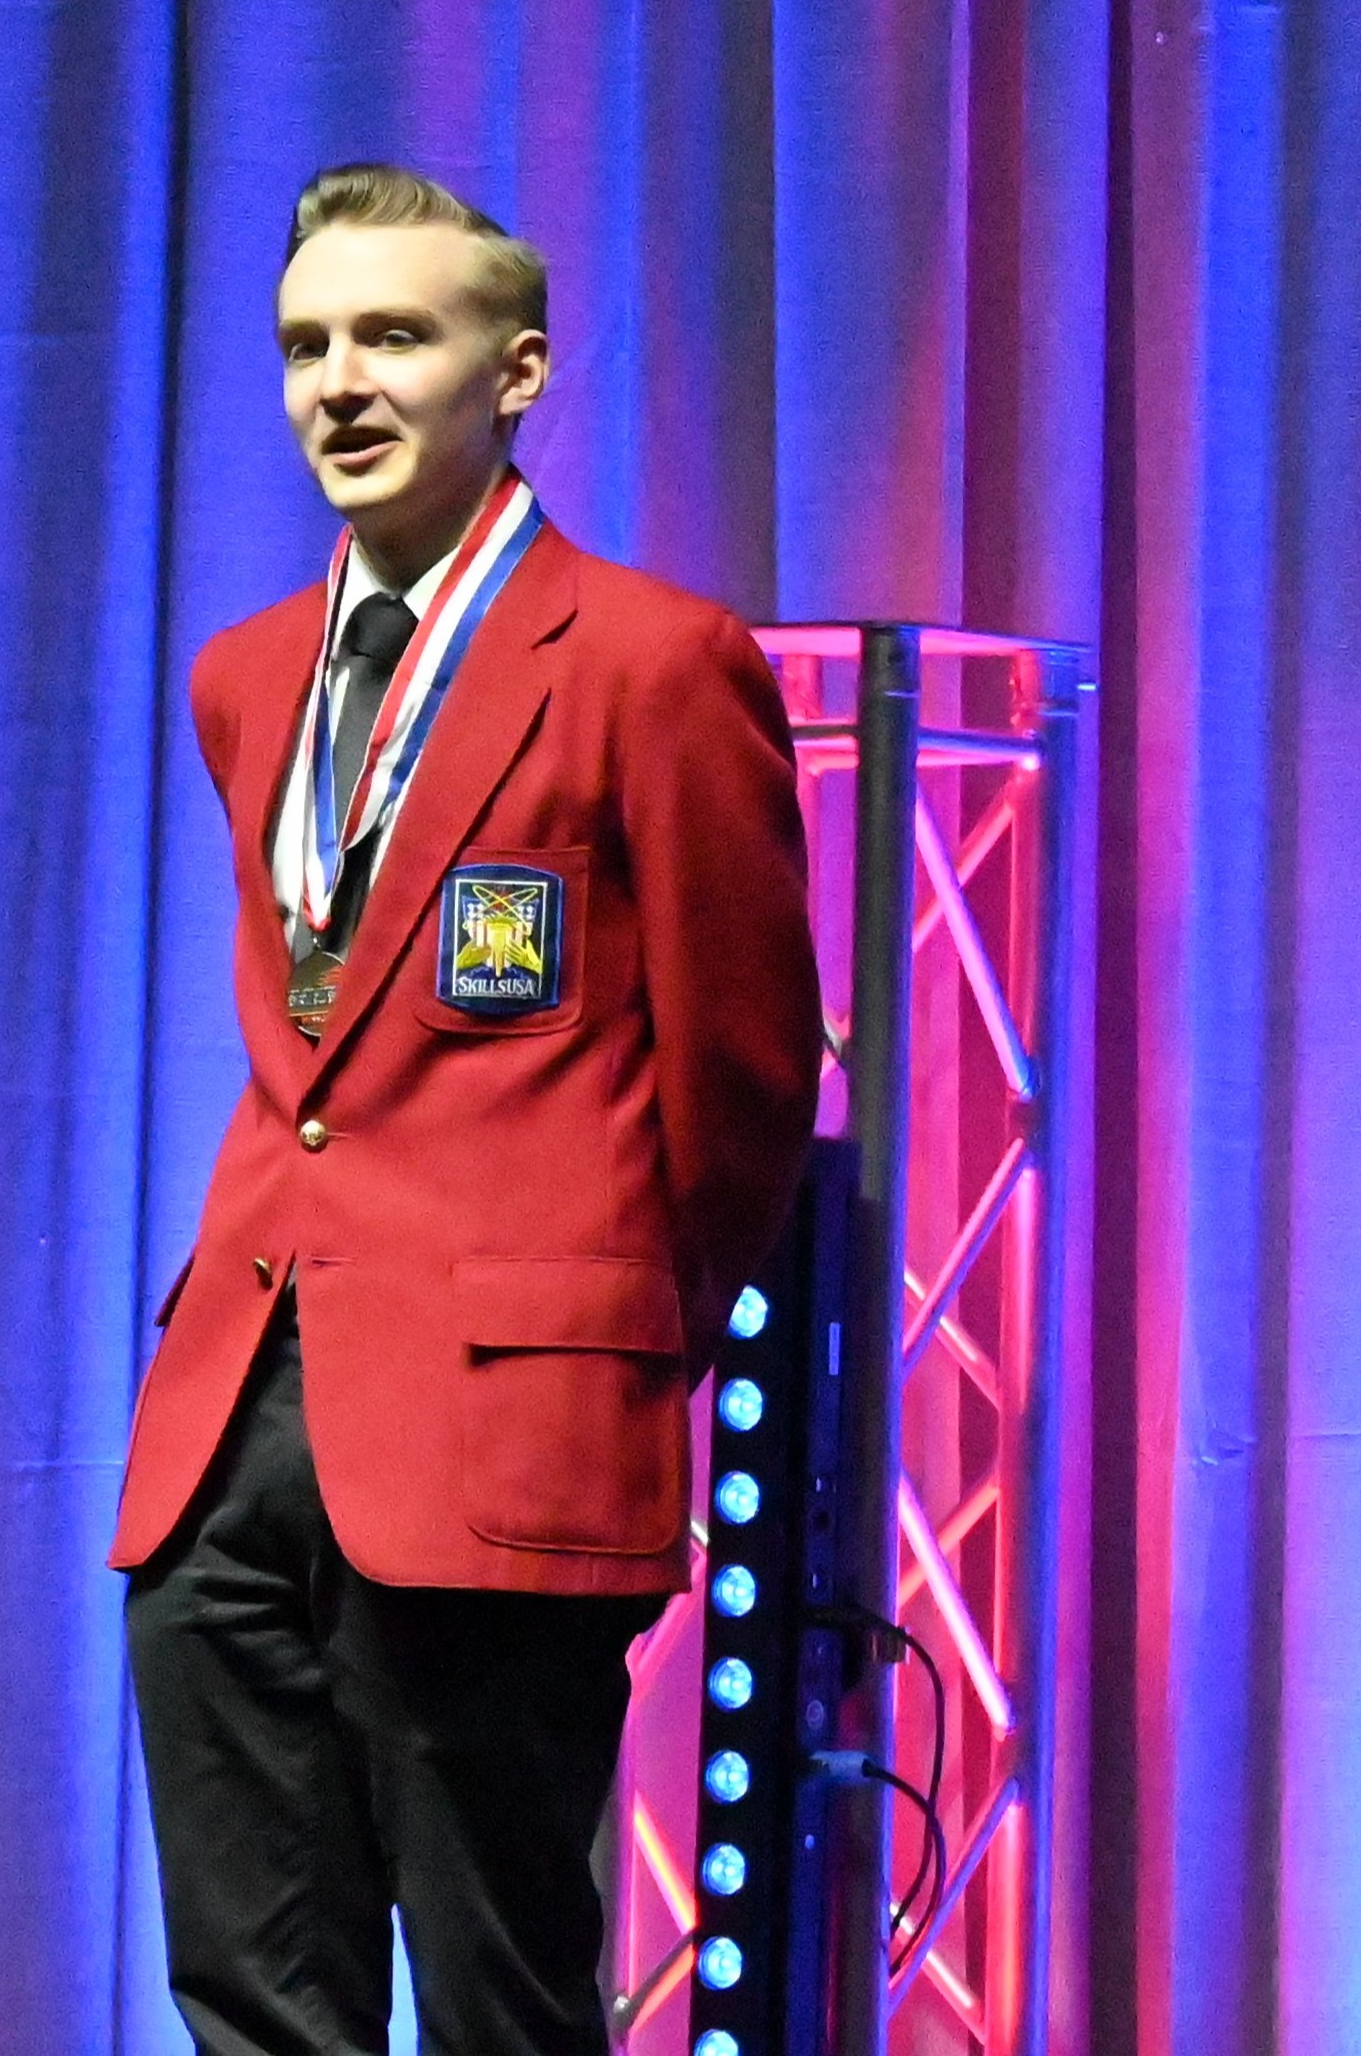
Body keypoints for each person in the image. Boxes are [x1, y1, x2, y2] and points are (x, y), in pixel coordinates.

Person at [113, 163, 822, 2056]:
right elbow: (317, 1044)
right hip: (233, 1434)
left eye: (394, 338)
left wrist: (588, 1352)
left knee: (503, 1992)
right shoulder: (249, 678)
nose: (341, 383)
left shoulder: (655, 665)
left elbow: (746, 1086)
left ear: (512, 376)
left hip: (497, 1440)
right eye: (306, 345)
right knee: (255, 1998)